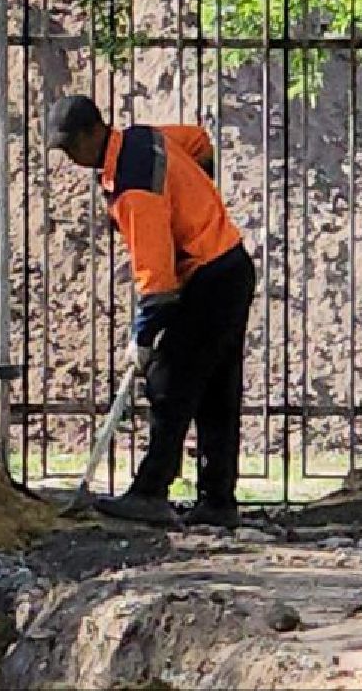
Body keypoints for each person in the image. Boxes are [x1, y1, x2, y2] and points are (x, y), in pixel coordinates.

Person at [47, 94, 256, 528]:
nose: (70, 158)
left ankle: (150, 491)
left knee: (169, 382)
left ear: (93, 133)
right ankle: (218, 501)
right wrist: (198, 203)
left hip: (207, 278)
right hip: (230, 264)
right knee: (217, 390)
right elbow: (199, 142)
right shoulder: (143, 139)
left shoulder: (133, 189)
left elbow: (156, 281)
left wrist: (142, 339)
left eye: (71, 148)